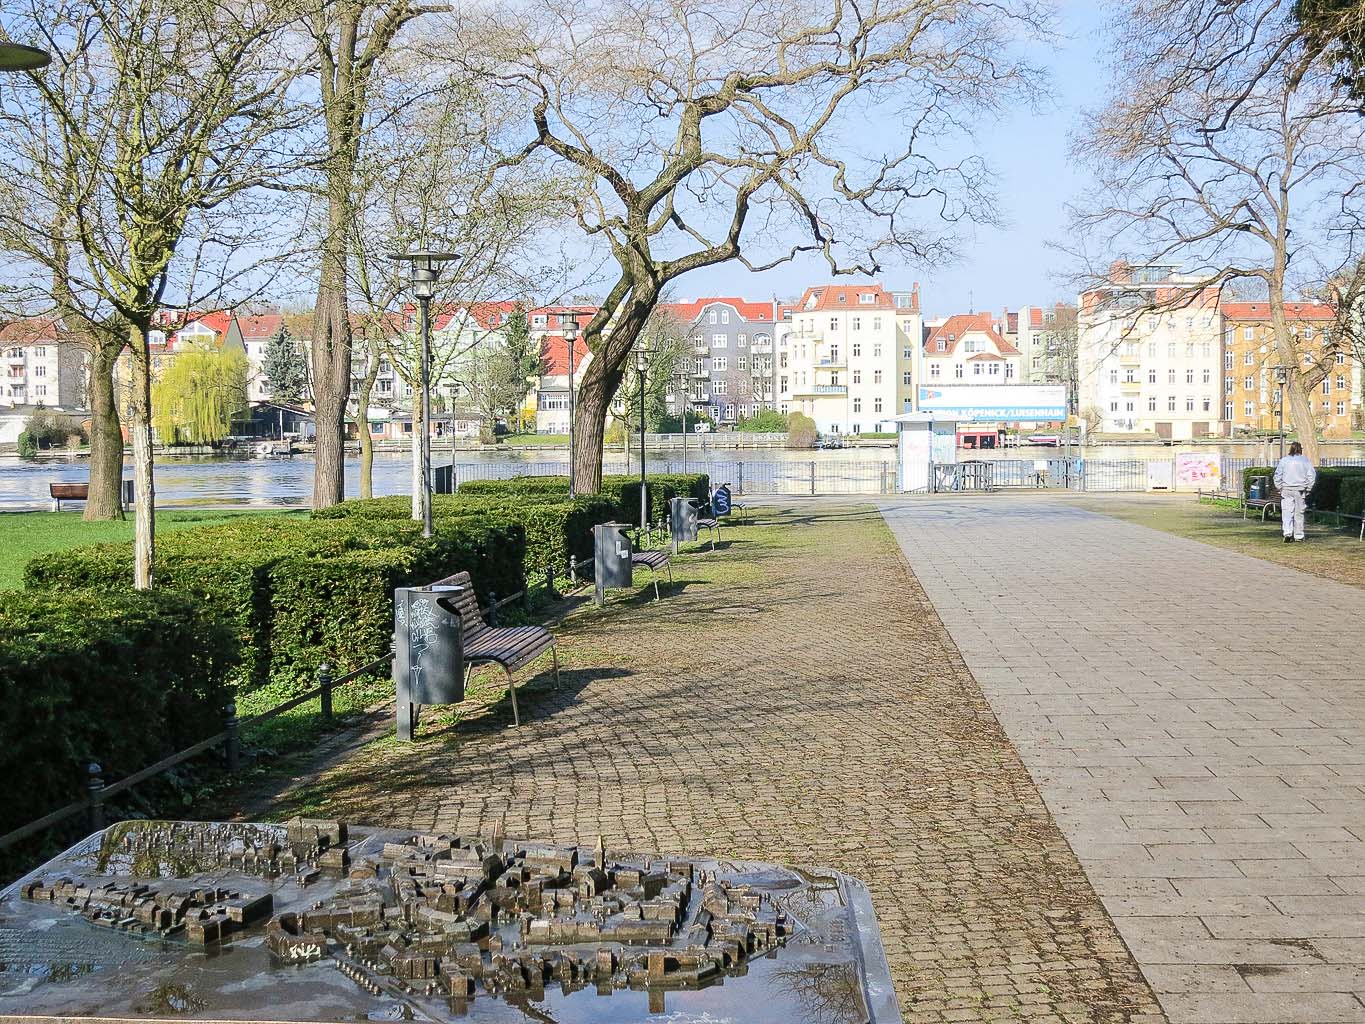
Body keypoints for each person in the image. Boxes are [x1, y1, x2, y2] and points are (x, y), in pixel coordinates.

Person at [1273, 441, 1317, 543]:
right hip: (1300, 489)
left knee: (1287, 513)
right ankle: (1298, 535)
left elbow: (1278, 475)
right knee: (1299, 514)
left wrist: (1279, 487)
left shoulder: (1284, 460)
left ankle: (1287, 533)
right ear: (1300, 449)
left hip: (1286, 489)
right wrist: (1309, 488)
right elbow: (1311, 476)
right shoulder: (1305, 461)